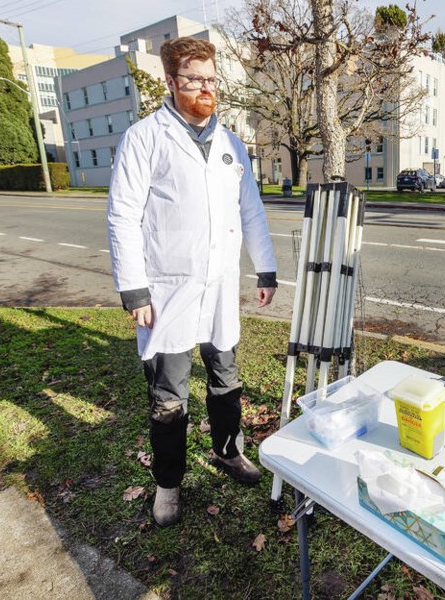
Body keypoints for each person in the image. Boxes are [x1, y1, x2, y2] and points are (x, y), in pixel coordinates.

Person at [106, 37, 278, 528]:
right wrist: (135, 289)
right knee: (168, 396)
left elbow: (250, 210)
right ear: (171, 82)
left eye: (211, 79)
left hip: (220, 285)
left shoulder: (231, 144)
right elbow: (122, 216)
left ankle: (228, 451)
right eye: (194, 79)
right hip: (168, 290)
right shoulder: (144, 137)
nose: (205, 88)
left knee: (226, 377)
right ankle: (168, 486)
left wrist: (264, 267)